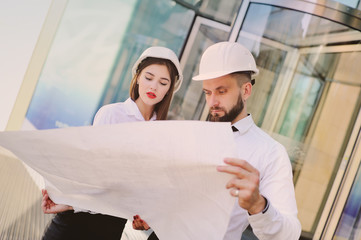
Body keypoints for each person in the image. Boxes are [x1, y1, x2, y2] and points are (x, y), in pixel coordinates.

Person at [41, 46, 183, 240]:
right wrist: (68, 203)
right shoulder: (111, 114)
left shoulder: (163, 134)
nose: (154, 87)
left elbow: (146, 190)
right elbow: (93, 177)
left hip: (111, 227)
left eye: (163, 82)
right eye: (149, 78)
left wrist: (146, 216)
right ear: (138, 77)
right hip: (75, 221)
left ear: (169, 90)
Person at [192, 41, 301, 239]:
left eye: (221, 91)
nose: (213, 102)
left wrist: (258, 205)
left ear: (246, 91)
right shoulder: (190, 135)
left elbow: (290, 234)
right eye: (208, 93)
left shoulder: (271, 152)